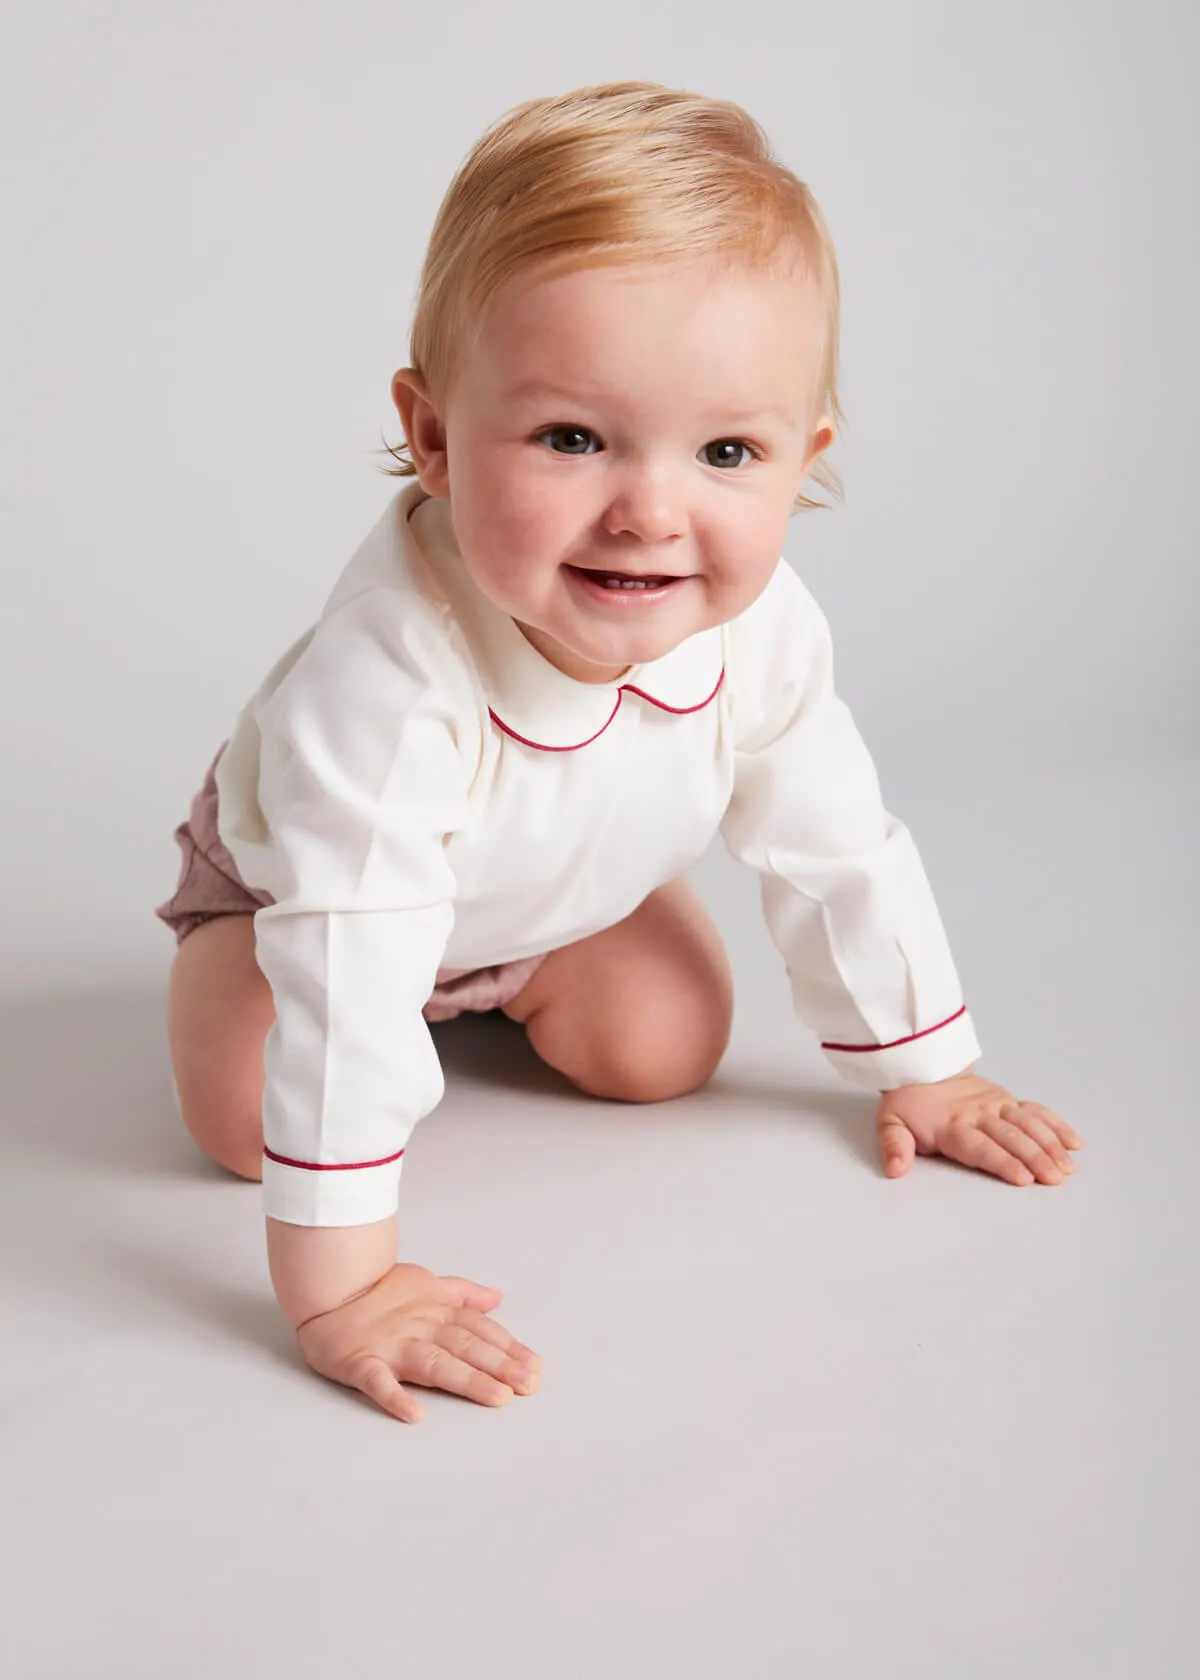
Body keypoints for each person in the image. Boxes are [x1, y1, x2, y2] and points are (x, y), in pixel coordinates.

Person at [155, 80, 1083, 1426]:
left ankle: (544, 942)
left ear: (801, 459)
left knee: (664, 1049)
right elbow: (353, 966)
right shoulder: (384, 684)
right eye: (572, 439)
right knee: (245, 1123)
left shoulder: (763, 628)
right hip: (309, 897)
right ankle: (245, 978)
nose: (650, 511)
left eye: (725, 451)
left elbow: (835, 843)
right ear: (432, 437)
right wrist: (343, 1284)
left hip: (549, 889)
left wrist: (926, 1071)